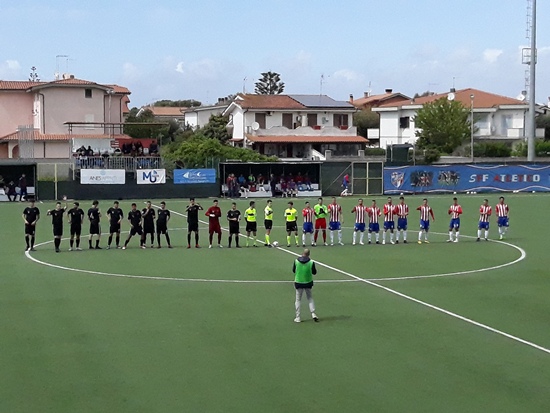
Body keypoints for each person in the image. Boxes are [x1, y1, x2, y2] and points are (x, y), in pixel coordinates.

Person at [292, 248, 319, 323]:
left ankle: (298, 317)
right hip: (308, 282)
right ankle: (313, 313)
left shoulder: (296, 261)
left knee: (298, 300)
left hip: (298, 282)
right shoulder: (311, 262)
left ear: (302, 253)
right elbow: (314, 272)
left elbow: (294, 270)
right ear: (309, 254)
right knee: (310, 298)